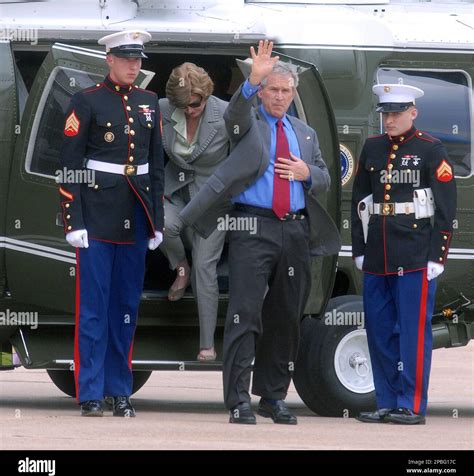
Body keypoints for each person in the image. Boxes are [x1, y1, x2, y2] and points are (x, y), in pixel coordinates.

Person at [179, 40, 341, 424]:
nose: (280, 97)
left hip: (295, 231)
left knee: (286, 317)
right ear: (263, 92)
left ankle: (273, 396)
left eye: (286, 91)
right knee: (244, 314)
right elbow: (234, 113)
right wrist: (252, 80)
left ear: (293, 94)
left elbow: (325, 178)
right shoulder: (247, 123)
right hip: (253, 227)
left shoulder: (305, 133)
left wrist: (309, 175)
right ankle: (237, 400)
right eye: (273, 90)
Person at [59, 30, 164, 417]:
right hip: (97, 217)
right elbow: (69, 165)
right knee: (93, 309)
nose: (134, 66)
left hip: (135, 218)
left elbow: (156, 169)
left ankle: (120, 390)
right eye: (126, 58)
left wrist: (157, 222)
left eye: (138, 59)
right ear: (109, 59)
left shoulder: (149, 102)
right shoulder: (85, 101)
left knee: (125, 308)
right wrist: (74, 220)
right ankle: (90, 392)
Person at [351, 84, 456, 425]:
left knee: (412, 331)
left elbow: (445, 206)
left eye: (396, 113)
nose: (390, 119)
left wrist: (437, 256)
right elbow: (360, 203)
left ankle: (411, 404)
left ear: (413, 113)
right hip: (378, 254)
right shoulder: (372, 148)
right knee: (379, 331)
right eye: (386, 114)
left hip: (414, 255)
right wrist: (360, 250)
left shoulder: (430, 148)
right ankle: (385, 401)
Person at [158, 63, 229, 362]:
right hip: (175, 192)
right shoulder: (162, 109)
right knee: (159, 222)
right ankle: (179, 266)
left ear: (206, 94)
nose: (189, 110)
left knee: (205, 269)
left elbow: (246, 160)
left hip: (212, 203)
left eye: (195, 104)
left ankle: (206, 344)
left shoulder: (226, 114)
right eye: (182, 105)